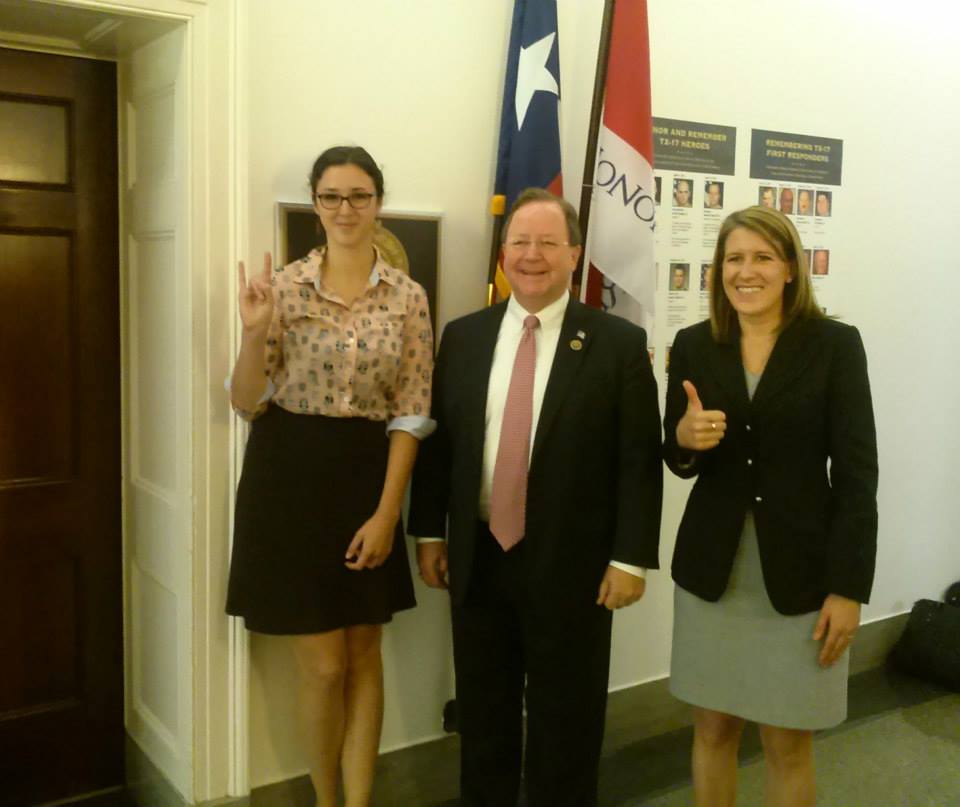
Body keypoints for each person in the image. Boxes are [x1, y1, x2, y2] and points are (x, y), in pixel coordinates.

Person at [410, 188, 663, 807]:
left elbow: (638, 461)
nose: (532, 255)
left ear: (574, 255)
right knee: (483, 718)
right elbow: (442, 445)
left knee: (567, 725)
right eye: (520, 242)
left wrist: (630, 559)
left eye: (549, 243)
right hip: (478, 561)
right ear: (503, 253)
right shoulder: (463, 337)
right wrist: (431, 532)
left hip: (575, 568)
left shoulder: (616, 344)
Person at [226, 145, 434, 807]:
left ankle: (359, 802)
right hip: (287, 480)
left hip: (368, 476)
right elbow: (245, 401)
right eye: (332, 196)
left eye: (359, 195)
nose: (346, 208)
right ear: (316, 204)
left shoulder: (408, 296)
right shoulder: (283, 288)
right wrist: (253, 332)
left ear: (378, 202)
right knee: (323, 667)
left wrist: (388, 512)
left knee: (364, 652)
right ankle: (326, 800)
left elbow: (411, 411)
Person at [663, 205, 877, 807]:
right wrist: (685, 438)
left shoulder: (834, 346)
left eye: (762, 257)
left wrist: (849, 587)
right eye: (734, 258)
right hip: (714, 573)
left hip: (801, 575)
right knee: (713, 731)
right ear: (718, 271)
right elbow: (677, 454)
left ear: (789, 269)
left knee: (787, 743)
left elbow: (858, 475)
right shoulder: (694, 345)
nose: (746, 271)